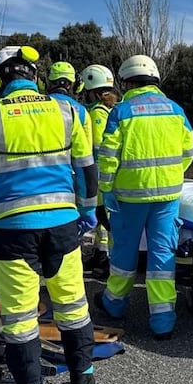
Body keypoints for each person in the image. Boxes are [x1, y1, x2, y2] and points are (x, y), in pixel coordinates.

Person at [0, 46, 100, 384]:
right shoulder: (68, 110)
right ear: (35, 77)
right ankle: (82, 380)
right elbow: (86, 168)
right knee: (73, 306)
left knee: (20, 317)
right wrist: (88, 211)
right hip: (62, 226)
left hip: (14, 231)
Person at [97, 54, 193, 340]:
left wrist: (106, 191)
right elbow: (188, 151)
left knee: (124, 253)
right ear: (155, 79)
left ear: (126, 81)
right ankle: (163, 319)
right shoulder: (176, 111)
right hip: (167, 196)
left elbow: (108, 157)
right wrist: (170, 175)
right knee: (163, 255)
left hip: (128, 198)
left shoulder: (121, 111)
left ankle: (114, 304)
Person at [78, 64, 119, 271]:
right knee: (103, 220)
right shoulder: (111, 109)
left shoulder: (95, 113)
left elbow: (93, 146)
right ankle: (101, 254)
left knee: (104, 219)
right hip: (109, 173)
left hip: (99, 173)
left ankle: (110, 261)